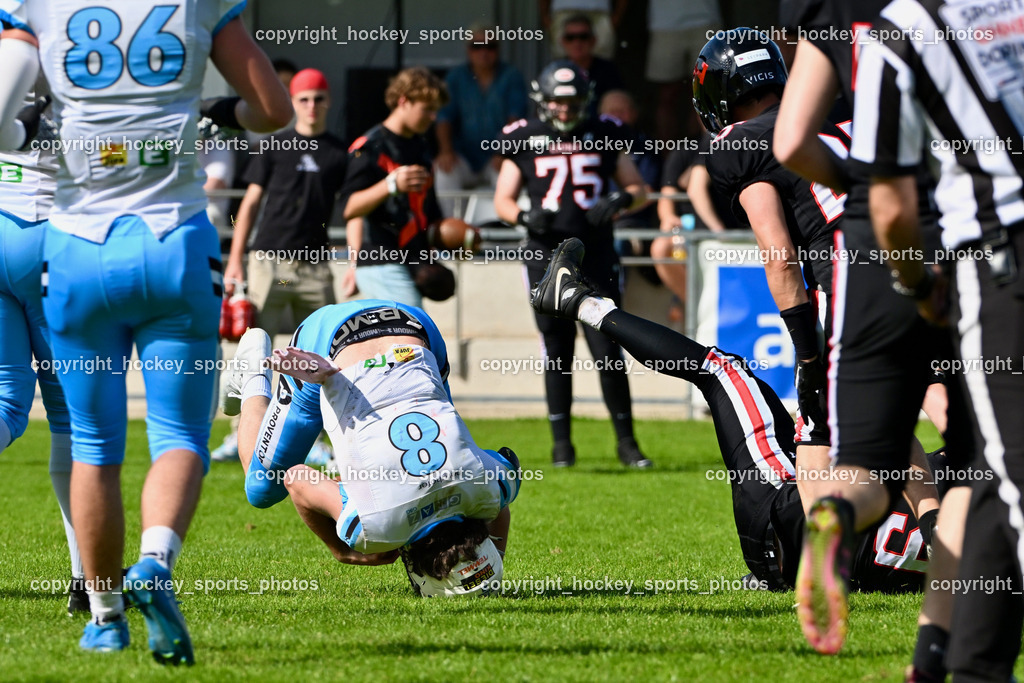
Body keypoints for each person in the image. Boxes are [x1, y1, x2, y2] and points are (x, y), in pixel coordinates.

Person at [0, 0, 293, 662]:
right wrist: (224, 116)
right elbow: (274, 111)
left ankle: (104, 615)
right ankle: (155, 564)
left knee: (93, 442)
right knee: (180, 435)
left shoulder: (39, 3)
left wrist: (26, 140)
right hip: (174, 241)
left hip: (75, 247)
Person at [531, 237, 939, 592]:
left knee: (720, 370)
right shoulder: (985, 534)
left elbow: (898, 445)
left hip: (780, 517)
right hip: (795, 561)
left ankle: (580, 302)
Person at [772, 0, 972, 663]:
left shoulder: (835, 13)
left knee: (864, 465)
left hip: (866, 236)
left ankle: (834, 515)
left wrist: (865, 188)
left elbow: (791, 141)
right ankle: (934, 650)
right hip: (973, 230)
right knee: (972, 464)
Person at [849, 1, 1024, 678]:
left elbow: (886, 205)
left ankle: (834, 530)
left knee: (1002, 476)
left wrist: (922, 289)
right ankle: (963, 663)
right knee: (985, 474)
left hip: (999, 262)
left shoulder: (901, 27)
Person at [219, 300, 519, 596]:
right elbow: (296, 478)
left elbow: (500, 492)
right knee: (261, 488)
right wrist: (341, 550)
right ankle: (251, 373)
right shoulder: (376, 530)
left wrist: (495, 561)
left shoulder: (489, 492)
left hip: (411, 324)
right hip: (327, 347)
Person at [693, 29, 849, 519]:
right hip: (914, 260)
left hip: (846, 280)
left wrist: (806, 352)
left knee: (819, 423)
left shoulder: (739, 142)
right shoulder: (835, 117)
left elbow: (779, 254)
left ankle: (823, 558)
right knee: (933, 390)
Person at [493, 60, 650, 469]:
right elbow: (503, 200)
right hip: (545, 256)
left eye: (572, 101)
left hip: (595, 255)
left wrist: (620, 199)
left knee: (608, 348)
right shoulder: (523, 137)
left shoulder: (605, 132)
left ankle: (627, 444)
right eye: (558, 102)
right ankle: (562, 446)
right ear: (543, 102)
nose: (565, 109)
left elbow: (639, 190)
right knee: (557, 351)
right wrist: (525, 217)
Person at [214, 68, 346, 464]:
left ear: (328, 102)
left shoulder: (340, 152)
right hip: (269, 260)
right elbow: (250, 204)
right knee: (254, 348)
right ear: (293, 103)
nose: (311, 106)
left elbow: (355, 207)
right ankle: (238, 435)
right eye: (303, 99)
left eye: (318, 98)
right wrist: (236, 258)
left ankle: (323, 441)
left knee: (328, 351)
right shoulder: (274, 145)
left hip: (315, 264)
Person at [0, 73, 85, 614]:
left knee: (7, 403)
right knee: (71, 420)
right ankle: (88, 579)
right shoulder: (76, 40)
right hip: (53, 237)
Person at [341, 67, 449, 308]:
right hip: (380, 259)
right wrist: (390, 185)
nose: (433, 117)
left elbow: (429, 214)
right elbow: (349, 208)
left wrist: (459, 237)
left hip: (413, 259)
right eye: (427, 109)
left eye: (436, 111)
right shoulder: (369, 147)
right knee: (412, 333)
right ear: (404, 101)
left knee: (406, 337)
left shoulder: (421, 148)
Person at [434, 26, 528, 217]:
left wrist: (504, 151)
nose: (484, 52)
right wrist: (445, 150)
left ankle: (505, 235)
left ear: (498, 49)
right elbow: (443, 118)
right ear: (468, 49)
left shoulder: (511, 76)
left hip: (498, 154)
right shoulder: (455, 77)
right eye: (477, 46)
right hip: (463, 155)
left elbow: (515, 118)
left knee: (511, 174)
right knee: (443, 173)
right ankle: (453, 232)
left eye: (490, 46)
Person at [645, 0, 721, 141]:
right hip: (664, 23)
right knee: (666, 95)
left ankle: (703, 152)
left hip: (706, 19)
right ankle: (667, 156)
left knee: (705, 93)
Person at [556, 14, 624, 121]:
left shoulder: (608, 71)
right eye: (570, 37)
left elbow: (619, 109)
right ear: (563, 41)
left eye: (583, 37)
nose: (577, 43)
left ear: (593, 40)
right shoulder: (554, 71)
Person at [541, 0, 627, 60]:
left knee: (602, 61)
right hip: (563, 10)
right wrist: (545, 16)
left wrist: (617, 16)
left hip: (600, 12)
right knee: (562, 61)